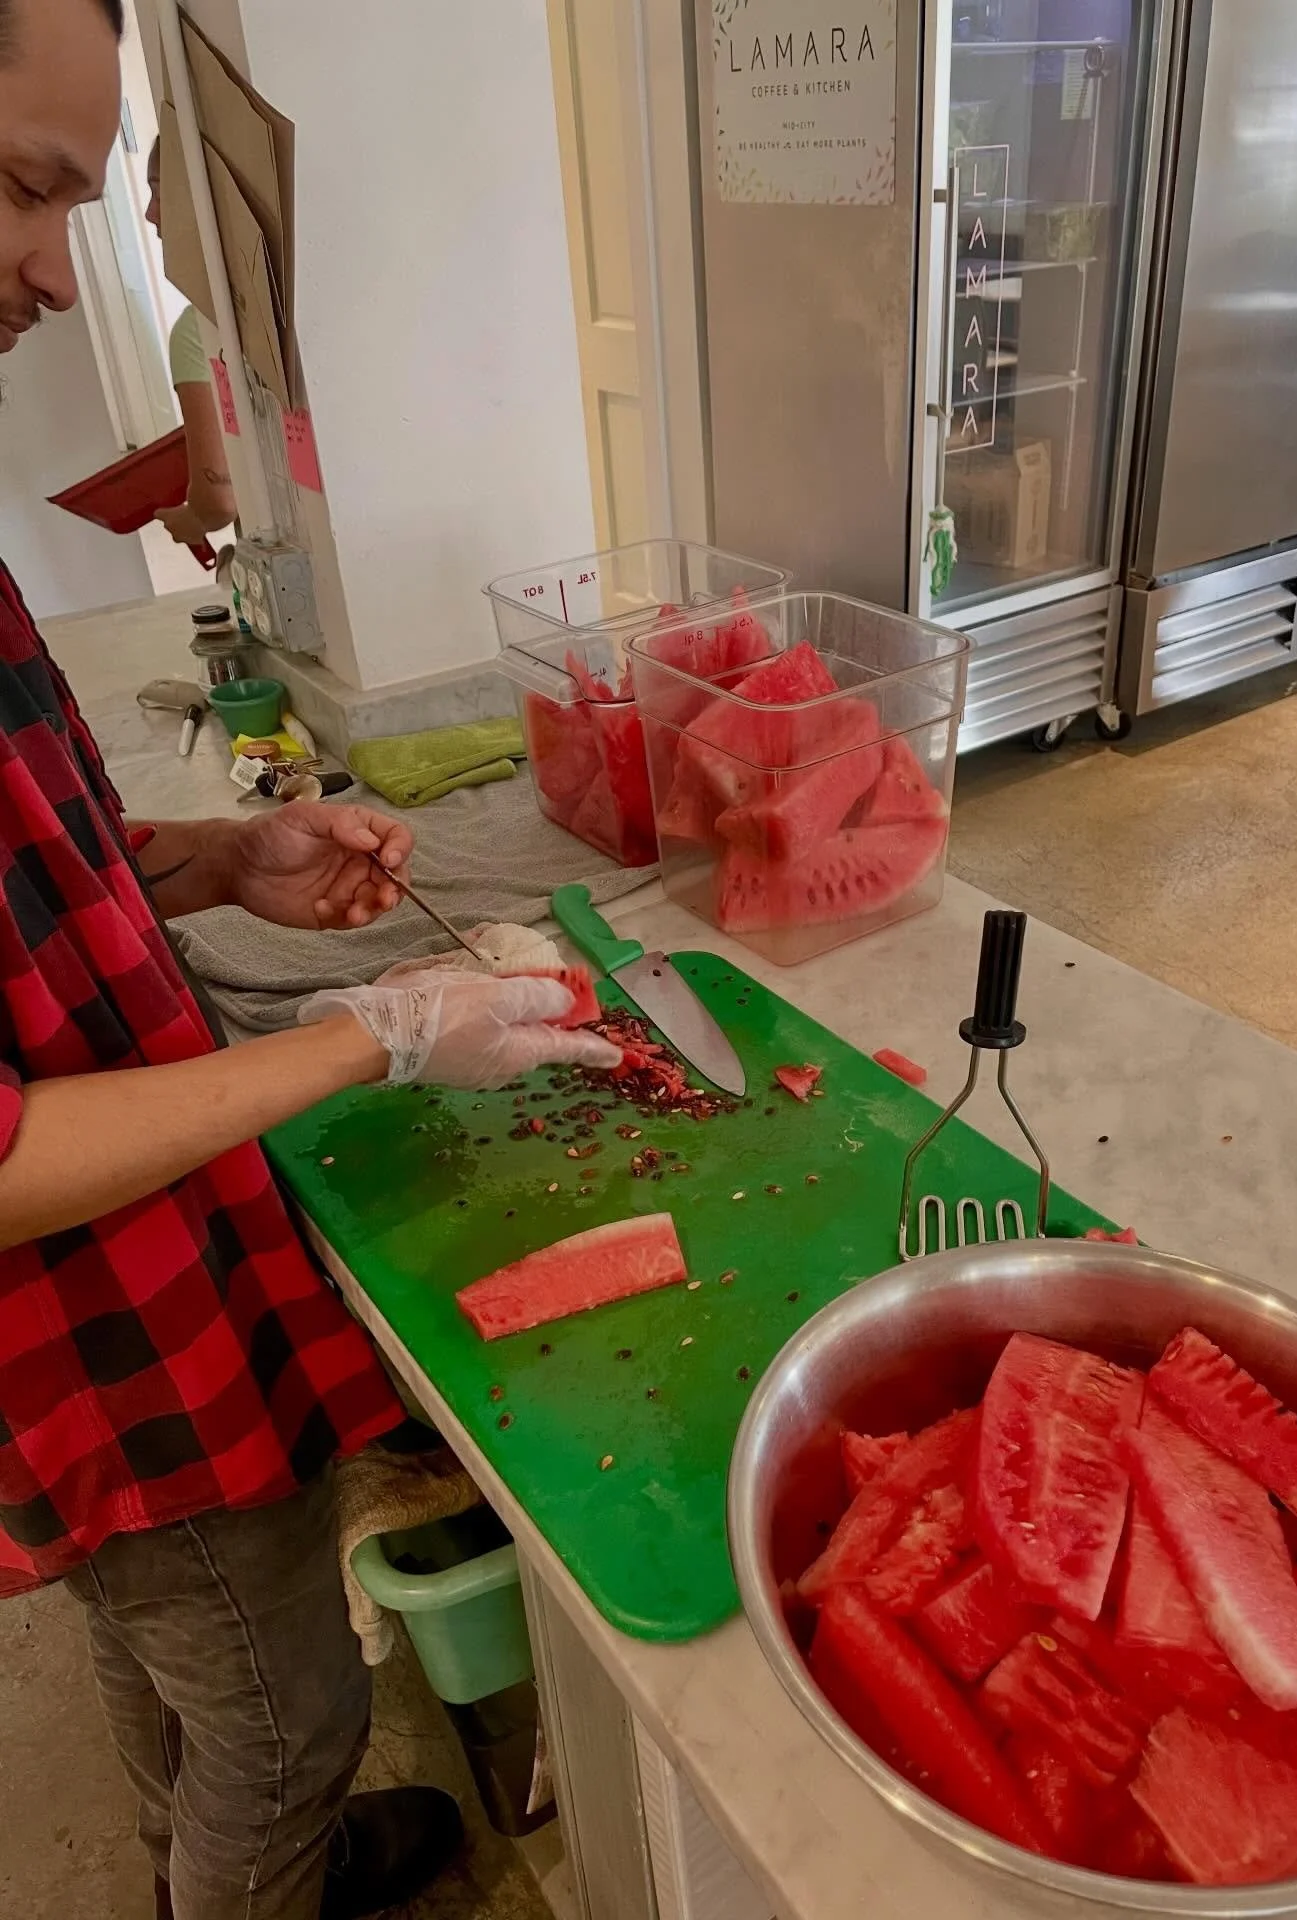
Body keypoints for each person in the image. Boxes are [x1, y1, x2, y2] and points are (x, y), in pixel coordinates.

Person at [0, 3, 622, 1915]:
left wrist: (215, 863)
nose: (50, 266)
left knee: (169, 1643)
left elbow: (29, 880)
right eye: (26, 188)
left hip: (154, 1296)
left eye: (77, 206)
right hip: (86, 1344)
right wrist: (377, 1031)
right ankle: (253, 1862)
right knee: (281, 1713)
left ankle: (215, 1846)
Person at [143, 135, 236, 546]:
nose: (149, 213)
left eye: (160, 191)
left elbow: (219, 498)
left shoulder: (196, 332)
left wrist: (191, 520)